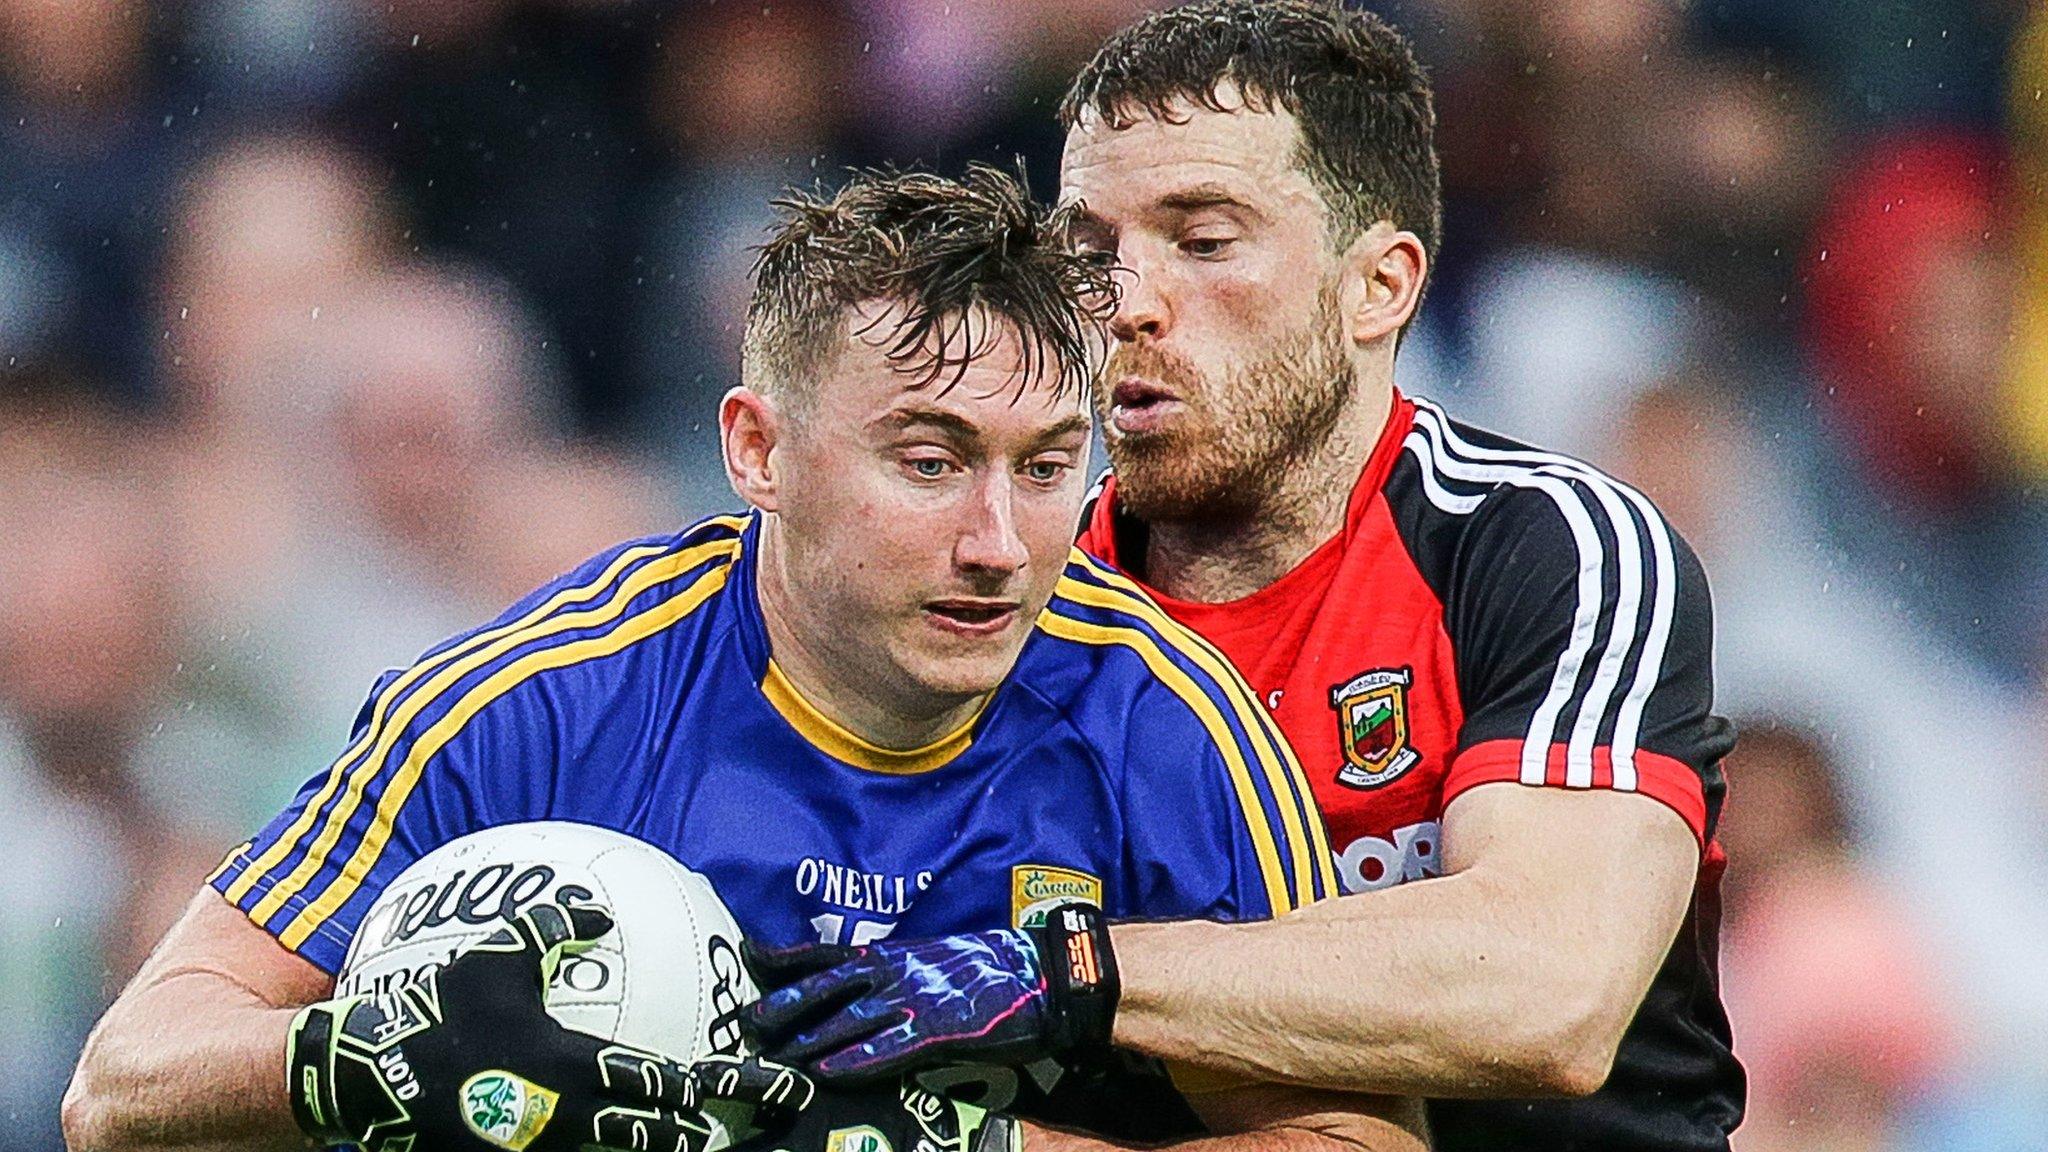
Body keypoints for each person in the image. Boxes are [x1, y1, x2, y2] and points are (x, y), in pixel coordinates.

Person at [63, 166, 1419, 1152]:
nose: (1001, 542)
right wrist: (376, 1056)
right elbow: (124, 1085)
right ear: (758, 450)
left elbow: (1360, 1143)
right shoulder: (538, 709)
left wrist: (960, 1151)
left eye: (1051, 468)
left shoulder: (1166, 728)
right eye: (931, 462)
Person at [740, 5, 1743, 1151]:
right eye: (1086, 253)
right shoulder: (1001, 590)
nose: (1123, 303)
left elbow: (1549, 993)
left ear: (1378, 285)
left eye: (1203, 240)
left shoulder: (1547, 549)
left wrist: (1068, 971)